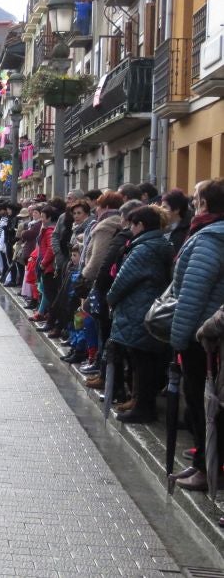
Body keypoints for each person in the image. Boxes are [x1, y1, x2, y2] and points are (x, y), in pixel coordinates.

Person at [169, 179, 224, 492]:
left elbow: (192, 295)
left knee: (203, 405)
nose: (192, 204)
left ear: (205, 205)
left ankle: (207, 468)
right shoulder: (206, 234)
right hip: (207, 336)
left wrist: (178, 339)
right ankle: (202, 461)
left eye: (196, 199)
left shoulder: (209, 238)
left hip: (201, 338)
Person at [105, 205, 173, 424]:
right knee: (145, 360)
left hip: (138, 309)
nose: (129, 228)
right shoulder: (160, 244)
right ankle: (139, 402)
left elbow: (123, 280)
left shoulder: (144, 248)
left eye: (132, 224)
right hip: (147, 306)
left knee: (141, 359)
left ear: (140, 225)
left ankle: (143, 408)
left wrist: (110, 298)